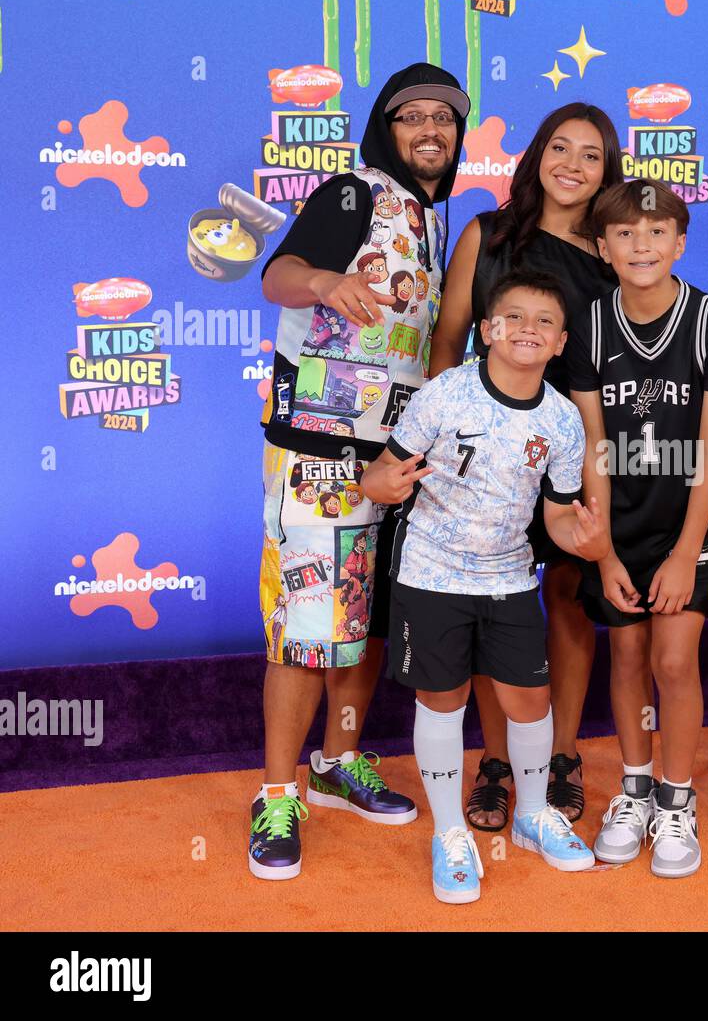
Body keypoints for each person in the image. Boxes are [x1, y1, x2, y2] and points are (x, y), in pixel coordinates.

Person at [249, 63, 469, 881]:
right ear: (388, 128)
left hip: (392, 456)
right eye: (412, 117)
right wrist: (325, 282)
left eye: (443, 120)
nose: (429, 131)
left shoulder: (432, 221)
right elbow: (277, 275)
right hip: (318, 455)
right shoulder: (352, 194)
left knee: (364, 624)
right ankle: (277, 793)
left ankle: (338, 762)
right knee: (307, 634)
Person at [361, 270, 610, 904]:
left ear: (560, 344)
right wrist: (380, 487)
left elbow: (554, 511)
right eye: (515, 316)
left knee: (529, 700)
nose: (530, 327)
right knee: (442, 701)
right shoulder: (445, 393)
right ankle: (450, 833)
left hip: (509, 577)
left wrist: (576, 530)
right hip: (431, 575)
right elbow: (382, 472)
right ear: (488, 330)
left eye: (545, 321)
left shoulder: (562, 420)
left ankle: (532, 815)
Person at [427, 103, 622, 830]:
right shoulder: (488, 232)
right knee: (489, 601)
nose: (572, 164)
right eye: (560, 147)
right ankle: (497, 761)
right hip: (482, 455)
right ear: (537, 153)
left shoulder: (613, 254)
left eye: (592, 154)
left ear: (609, 172)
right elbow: (448, 340)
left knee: (569, 595)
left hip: (572, 448)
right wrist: (446, 444)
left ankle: (562, 755)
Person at [566, 179, 708, 877]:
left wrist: (685, 552)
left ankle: (677, 799)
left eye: (656, 232)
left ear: (679, 241)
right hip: (618, 523)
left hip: (685, 523)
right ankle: (634, 792)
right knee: (628, 659)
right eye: (625, 234)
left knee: (673, 661)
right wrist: (604, 552)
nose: (641, 245)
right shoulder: (590, 324)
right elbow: (591, 447)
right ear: (602, 246)